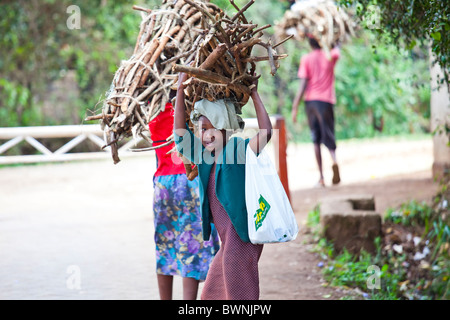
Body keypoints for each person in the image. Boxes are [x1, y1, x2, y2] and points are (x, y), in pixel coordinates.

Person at [174, 73, 272, 300]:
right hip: (227, 241)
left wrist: (254, 93)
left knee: (239, 296)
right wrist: (180, 90)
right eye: (201, 129)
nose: (206, 135)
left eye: (211, 128)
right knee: (212, 293)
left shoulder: (237, 151)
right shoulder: (204, 158)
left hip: (241, 239)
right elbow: (180, 134)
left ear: (225, 127)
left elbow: (265, 133)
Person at [149, 95, 219, 300]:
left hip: (163, 185)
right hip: (191, 178)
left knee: (164, 244)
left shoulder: (151, 106)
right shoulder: (194, 102)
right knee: (192, 245)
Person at [292, 35, 341, 187]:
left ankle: (321, 177)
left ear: (309, 43)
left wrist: (295, 106)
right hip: (326, 102)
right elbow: (337, 50)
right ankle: (334, 160)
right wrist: (333, 39)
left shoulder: (306, 58)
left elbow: (303, 84)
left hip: (311, 102)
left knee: (316, 140)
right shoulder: (329, 56)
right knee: (329, 134)